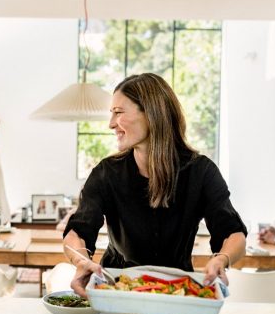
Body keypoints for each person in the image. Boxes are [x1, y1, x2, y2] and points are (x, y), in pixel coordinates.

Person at [62, 73, 247, 296]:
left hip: (176, 293)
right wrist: (81, 259)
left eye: (118, 113)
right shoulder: (106, 172)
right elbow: (78, 230)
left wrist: (222, 259)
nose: (111, 124)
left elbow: (233, 233)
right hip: (117, 290)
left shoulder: (201, 171)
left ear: (151, 114)